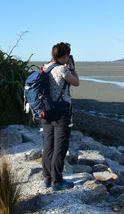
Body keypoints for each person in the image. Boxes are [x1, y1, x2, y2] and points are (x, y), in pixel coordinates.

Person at [41, 42, 80, 191]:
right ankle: (57, 181)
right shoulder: (62, 70)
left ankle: (47, 178)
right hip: (61, 112)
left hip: (46, 111)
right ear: (64, 56)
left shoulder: (45, 67)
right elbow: (76, 82)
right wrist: (72, 67)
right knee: (60, 147)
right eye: (67, 55)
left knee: (48, 145)